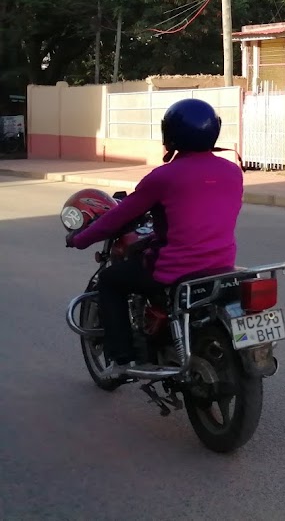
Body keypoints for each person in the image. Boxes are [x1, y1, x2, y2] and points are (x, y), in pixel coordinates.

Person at [67, 99, 243, 378]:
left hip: (175, 270)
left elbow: (119, 217)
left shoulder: (164, 176)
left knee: (111, 281)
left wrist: (80, 239)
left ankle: (122, 360)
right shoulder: (232, 171)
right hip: (222, 265)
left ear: (170, 135)